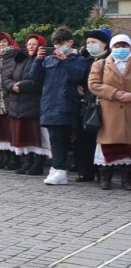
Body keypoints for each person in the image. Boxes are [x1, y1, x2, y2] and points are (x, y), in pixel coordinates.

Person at [29, 27, 90, 186]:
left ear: (70, 42)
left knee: (61, 138)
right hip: (49, 103)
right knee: (55, 137)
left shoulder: (79, 60)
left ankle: (59, 169)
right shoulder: (49, 60)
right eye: (55, 44)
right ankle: (57, 169)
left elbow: (78, 76)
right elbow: (35, 79)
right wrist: (38, 60)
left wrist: (65, 60)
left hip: (67, 104)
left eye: (61, 43)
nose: (57, 47)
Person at [89, 33, 131, 189]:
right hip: (109, 112)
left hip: (129, 110)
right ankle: (105, 177)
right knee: (107, 145)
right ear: (111, 47)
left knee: (129, 146)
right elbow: (93, 85)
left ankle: (127, 179)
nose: (121, 49)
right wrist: (115, 93)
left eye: (124, 46)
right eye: (117, 46)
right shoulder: (100, 64)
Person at [5, 33, 49, 176]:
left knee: (36, 137)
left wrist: (20, 86)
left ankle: (38, 164)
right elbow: (7, 78)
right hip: (17, 104)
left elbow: (37, 82)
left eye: (34, 44)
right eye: (29, 44)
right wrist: (12, 86)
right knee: (22, 135)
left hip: (33, 105)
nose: (30, 47)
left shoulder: (43, 60)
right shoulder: (20, 59)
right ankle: (26, 162)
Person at [75, 29, 112, 183]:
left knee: (101, 139)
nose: (90, 45)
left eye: (94, 42)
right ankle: (85, 171)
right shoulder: (85, 60)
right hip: (86, 105)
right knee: (84, 139)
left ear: (104, 44)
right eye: (88, 42)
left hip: (104, 104)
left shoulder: (109, 60)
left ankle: (101, 172)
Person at [0, 32, 20, 169]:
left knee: (9, 130)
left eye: (4, 42)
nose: (1, 44)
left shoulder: (15, 57)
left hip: (9, 98)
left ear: (9, 42)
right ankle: (4, 157)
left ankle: (14, 158)